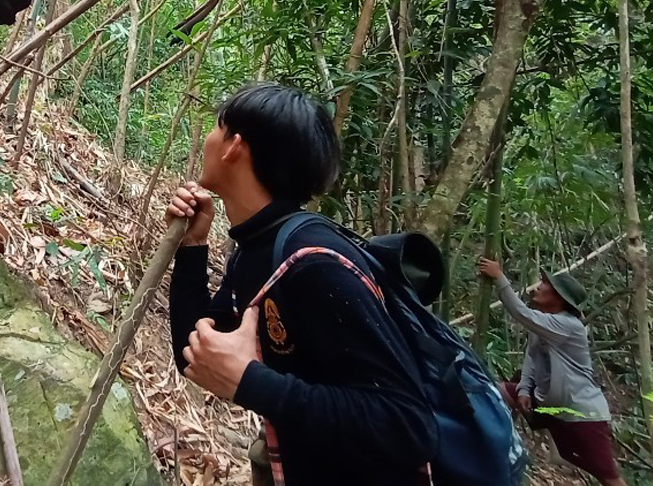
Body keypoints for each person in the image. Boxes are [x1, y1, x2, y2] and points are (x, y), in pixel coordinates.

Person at [166, 84, 436, 485]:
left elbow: (409, 427)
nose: (208, 136)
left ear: (233, 146)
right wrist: (192, 246)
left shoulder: (315, 263)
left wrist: (254, 383)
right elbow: (193, 354)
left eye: (215, 126)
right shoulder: (257, 250)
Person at [477, 258, 625, 486]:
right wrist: (525, 388)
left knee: (609, 477)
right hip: (550, 405)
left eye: (545, 284)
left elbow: (521, 313)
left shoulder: (569, 326)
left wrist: (499, 278)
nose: (538, 286)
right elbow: (531, 357)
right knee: (498, 392)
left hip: (581, 412)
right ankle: (488, 449)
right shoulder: (545, 324)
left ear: (558, 297)